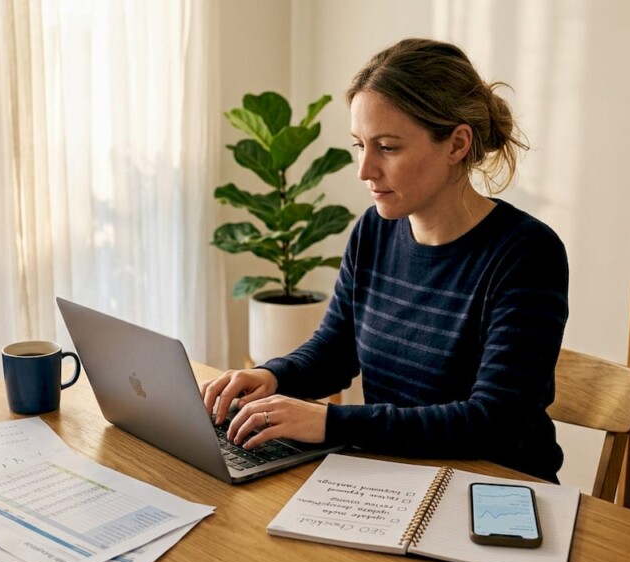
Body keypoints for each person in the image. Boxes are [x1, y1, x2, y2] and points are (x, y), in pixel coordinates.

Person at [201, 38, 568, 482]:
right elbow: (335, 352)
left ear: (456, 144)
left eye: (388, 147)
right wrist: (270, 377)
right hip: (396, 477)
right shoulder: (374, 231)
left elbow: (491, 419)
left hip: (495, 490)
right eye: (359, 145)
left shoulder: (526, 253)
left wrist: (329, 423)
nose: (365, 169)